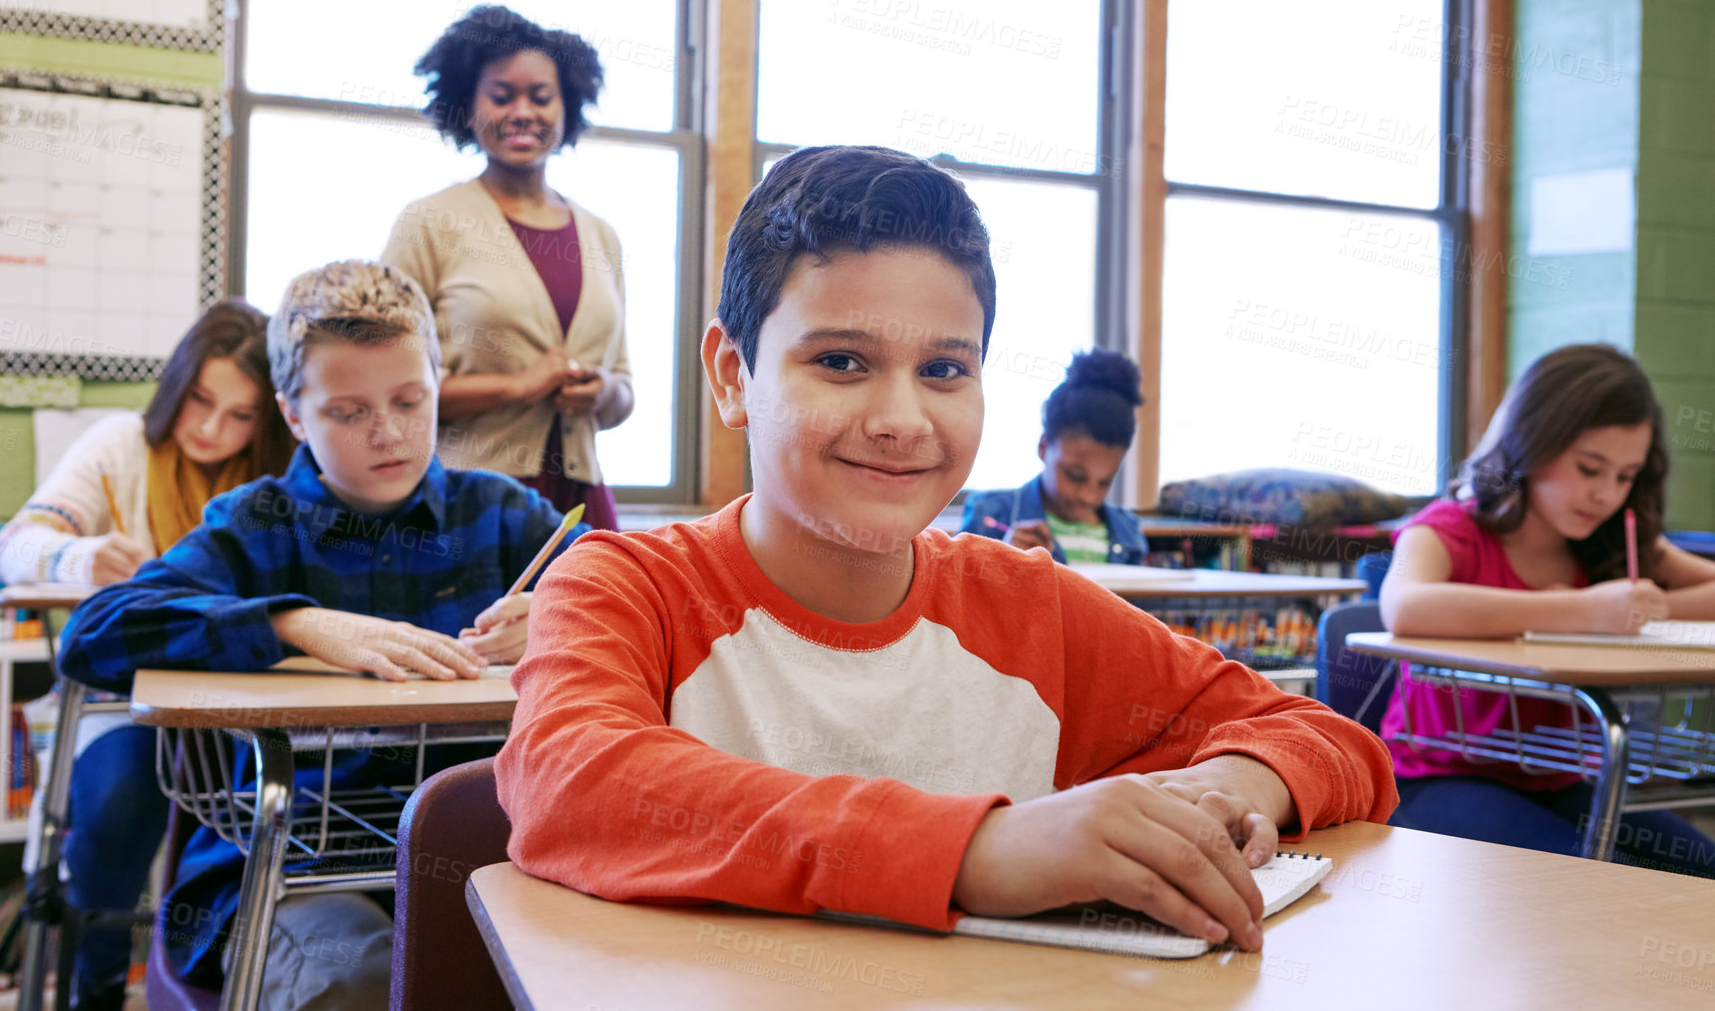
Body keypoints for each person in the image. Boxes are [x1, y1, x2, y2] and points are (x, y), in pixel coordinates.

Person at [496, 146, 1396, 952]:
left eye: (944, 370)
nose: (900, 421)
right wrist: (978, 850)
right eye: (841, 361)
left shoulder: (1031, 611)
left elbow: (1324, 736)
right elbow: (569, 781)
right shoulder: (628, 586)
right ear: (735, 375)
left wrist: (1227, 789)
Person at [58, 261, 587, 1011]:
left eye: (411, 399)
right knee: (365, 987)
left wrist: (563, 613)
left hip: (489, 857)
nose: (389, 432)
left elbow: (649, 608)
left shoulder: (505, 517)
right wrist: (295, 624)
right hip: (291, 872)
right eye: (347, 411)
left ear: (439, 379)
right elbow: (93, 634)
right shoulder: (253, 525)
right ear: (295, 415)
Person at [0, 300, 293, 1011]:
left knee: (277, 820)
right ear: (176, 384)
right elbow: (12, 548)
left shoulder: (279, 481)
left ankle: (233, 987)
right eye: (201, 400)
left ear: (271, 420)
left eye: (242, 416)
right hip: (125, 702)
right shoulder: (120, 444)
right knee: (117, 804)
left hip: (248, 707)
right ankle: (96, 989)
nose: (214, 431)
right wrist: (82, 554)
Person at [1379, 343, 1715, 877]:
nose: (1606, 494)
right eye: (1590, 468)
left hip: (1561, 778)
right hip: (1434, 777)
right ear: (1533, 442)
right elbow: (1405, 607)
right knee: (1601, 885)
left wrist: (1642, 609)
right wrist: (1582, 609)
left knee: (1699, 871)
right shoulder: (1452, 528)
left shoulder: (1608, 541)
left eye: (1626, 477)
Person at [383, 3, 632, 529]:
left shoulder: (600, 236)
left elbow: (624, 389)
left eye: (541, 97)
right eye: (502, 96)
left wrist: (604, 392)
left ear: (567, 109)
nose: (523, 111)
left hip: (582, 502)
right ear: (468, 109)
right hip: (467, 505)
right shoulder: (428, 223)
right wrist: (517, 386)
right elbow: (387, 386)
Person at [958, 348, 1148, 563]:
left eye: (1105, 482)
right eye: (1074, 476)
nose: (1088, 495)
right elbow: (953, 587)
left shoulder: (1128, 530)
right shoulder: (991, 515)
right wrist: (1003, 562)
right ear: (1044, 447)